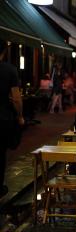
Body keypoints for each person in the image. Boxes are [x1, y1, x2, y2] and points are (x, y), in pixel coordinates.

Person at [0, 41, 23, 198]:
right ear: (4, 51)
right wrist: (20, 115)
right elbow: (16, 98)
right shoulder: (9, 70)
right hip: (2, 117)